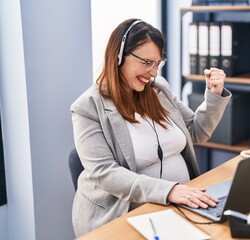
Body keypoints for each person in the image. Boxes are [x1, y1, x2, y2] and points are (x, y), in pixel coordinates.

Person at [70, 18, 232, 236]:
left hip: (179, 205)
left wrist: (213, 94)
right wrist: (168, 190)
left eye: (157, 63)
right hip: (123, 213)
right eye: (147, 63)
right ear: (118, 57)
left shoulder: (158, 89)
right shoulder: (88, 107)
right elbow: (104, 173)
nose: (154, 72)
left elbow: (197, 132)